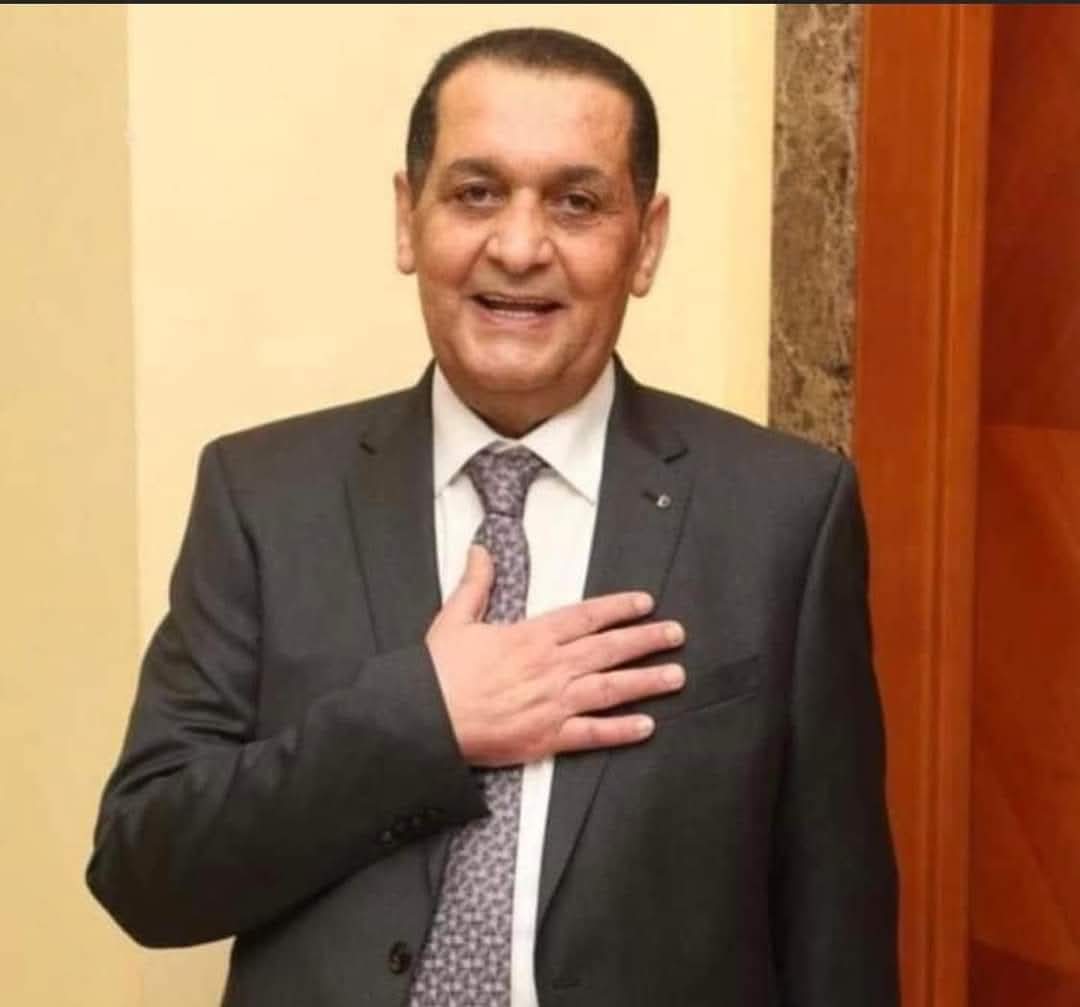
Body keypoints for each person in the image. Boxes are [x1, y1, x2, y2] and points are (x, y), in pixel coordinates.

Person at [87, 26, 898, 1007]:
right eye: (476, 192)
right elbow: (145, 872)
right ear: (408, 219)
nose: (518, 246)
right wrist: (420, 719)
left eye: (576, 201)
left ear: (645, 242)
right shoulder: (262, 494)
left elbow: (837, 928)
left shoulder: (784, 513)